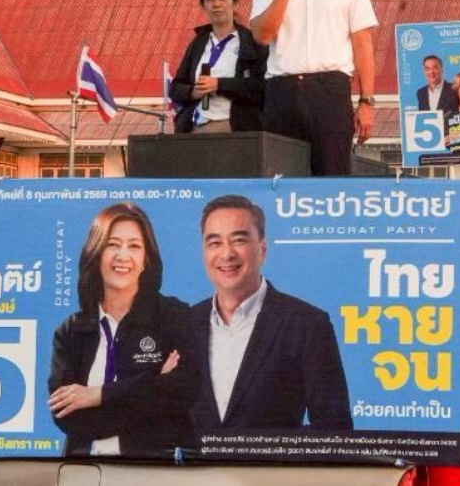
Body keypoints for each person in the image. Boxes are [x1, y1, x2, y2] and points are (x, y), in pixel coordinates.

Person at [188, 194, 352, 430]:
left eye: (239, 240)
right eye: (214, 242)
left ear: (262, 249)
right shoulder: (183, 324)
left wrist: (275, 450)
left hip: (276, 457)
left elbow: (334, 427)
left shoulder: (307, 324)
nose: (226, 254)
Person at [48, 202, 197, 457]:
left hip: (151, 470)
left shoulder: (173, 316)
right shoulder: (71, 331)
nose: (123, 255)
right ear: (96, 253)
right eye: (112, 244)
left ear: (145, 259)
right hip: (84, 469)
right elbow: (66, 416)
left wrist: (98, 395)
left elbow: (181, 393)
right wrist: (152, 384)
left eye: (134, 246)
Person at [250, 0, 379, 176]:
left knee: (332, 177)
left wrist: (366, 102)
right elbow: (261, 36)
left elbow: (363, 44)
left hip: (330, 90)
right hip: (282, 91)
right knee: (281, 179)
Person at [169, 0, 267, 134]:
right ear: (203, 5)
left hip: (237, 129)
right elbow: (175, 88)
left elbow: (263, 88)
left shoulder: (252, 42)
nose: (217, 4)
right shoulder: (197, 43)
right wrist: (192, 92)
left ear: (235, 3)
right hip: (195, 127)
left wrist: (220, 85)